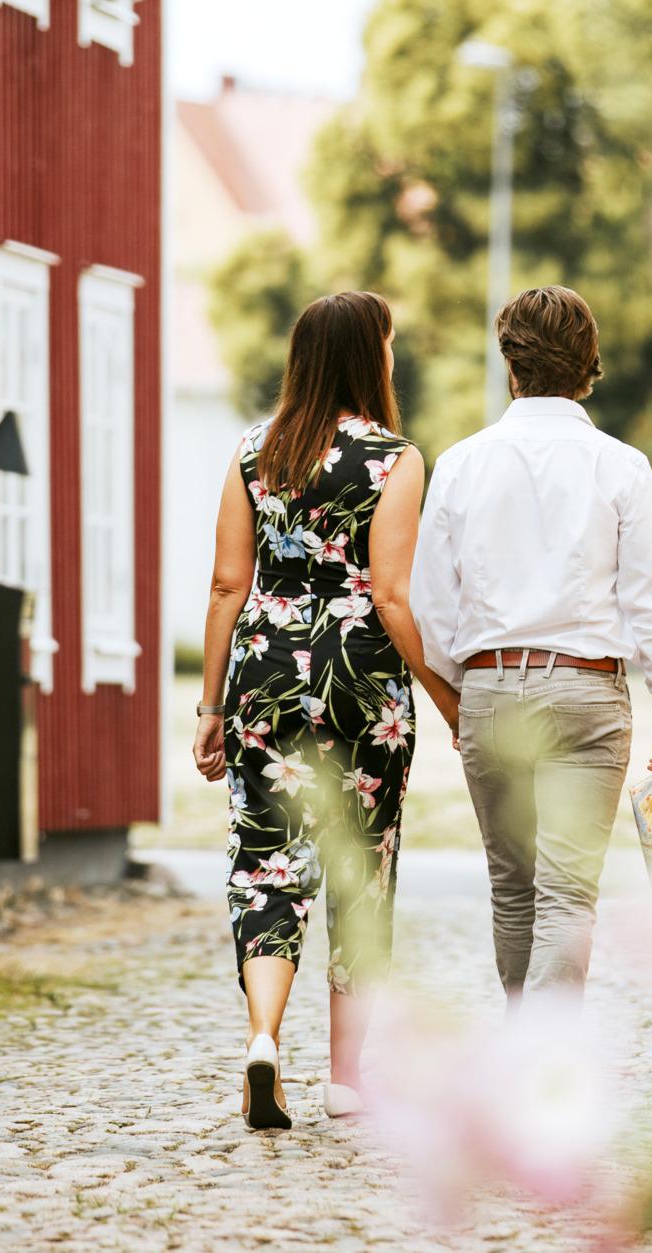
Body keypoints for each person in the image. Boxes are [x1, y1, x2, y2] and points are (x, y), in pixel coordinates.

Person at [192, 290, 460, 1130]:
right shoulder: (397, 458)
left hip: (264, 675)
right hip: (362, 681)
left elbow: (228, 583)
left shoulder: (251, 450)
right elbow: (390, 593)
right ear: (367, 356)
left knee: (267, 865)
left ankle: (264, 1039)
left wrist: (209, 705)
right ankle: (347, 1077)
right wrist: (447, 696)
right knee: (361, 867)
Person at [413, 285, 652, 1002]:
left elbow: (431, 607)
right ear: (589, 364)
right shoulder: (621, 465)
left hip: (490, 690)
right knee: (568, 896)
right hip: (585, 692)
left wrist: (464, 697)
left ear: (511, 364)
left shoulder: (461, 463)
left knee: (513, 891)